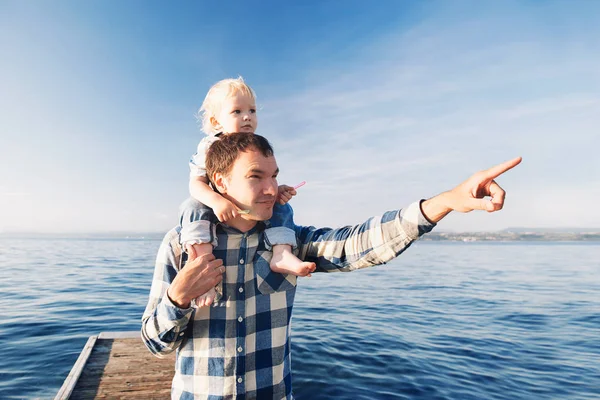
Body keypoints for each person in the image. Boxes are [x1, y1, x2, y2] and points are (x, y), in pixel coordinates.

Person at [142, 132, 521, 399]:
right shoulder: (182, 246)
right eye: (256, 177)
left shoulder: (287, 241)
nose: (272, 188)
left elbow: (360, 243)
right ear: (220, 182)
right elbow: (154, 344)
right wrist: (177, 298)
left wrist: (447, 201)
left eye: (274, 175)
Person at [181, 77, 315, 308]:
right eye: (237, 111)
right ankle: (203, 268)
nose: (247, 117)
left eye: (252, 110)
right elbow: (195, 184)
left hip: (246, 207)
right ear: (216, 121)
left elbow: (259, 181)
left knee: (281, 206)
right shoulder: (209, 147)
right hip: (214, 203)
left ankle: (281, 253)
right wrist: (215, 201)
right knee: (192, 207)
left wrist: (275, 190)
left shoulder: (254, 145)